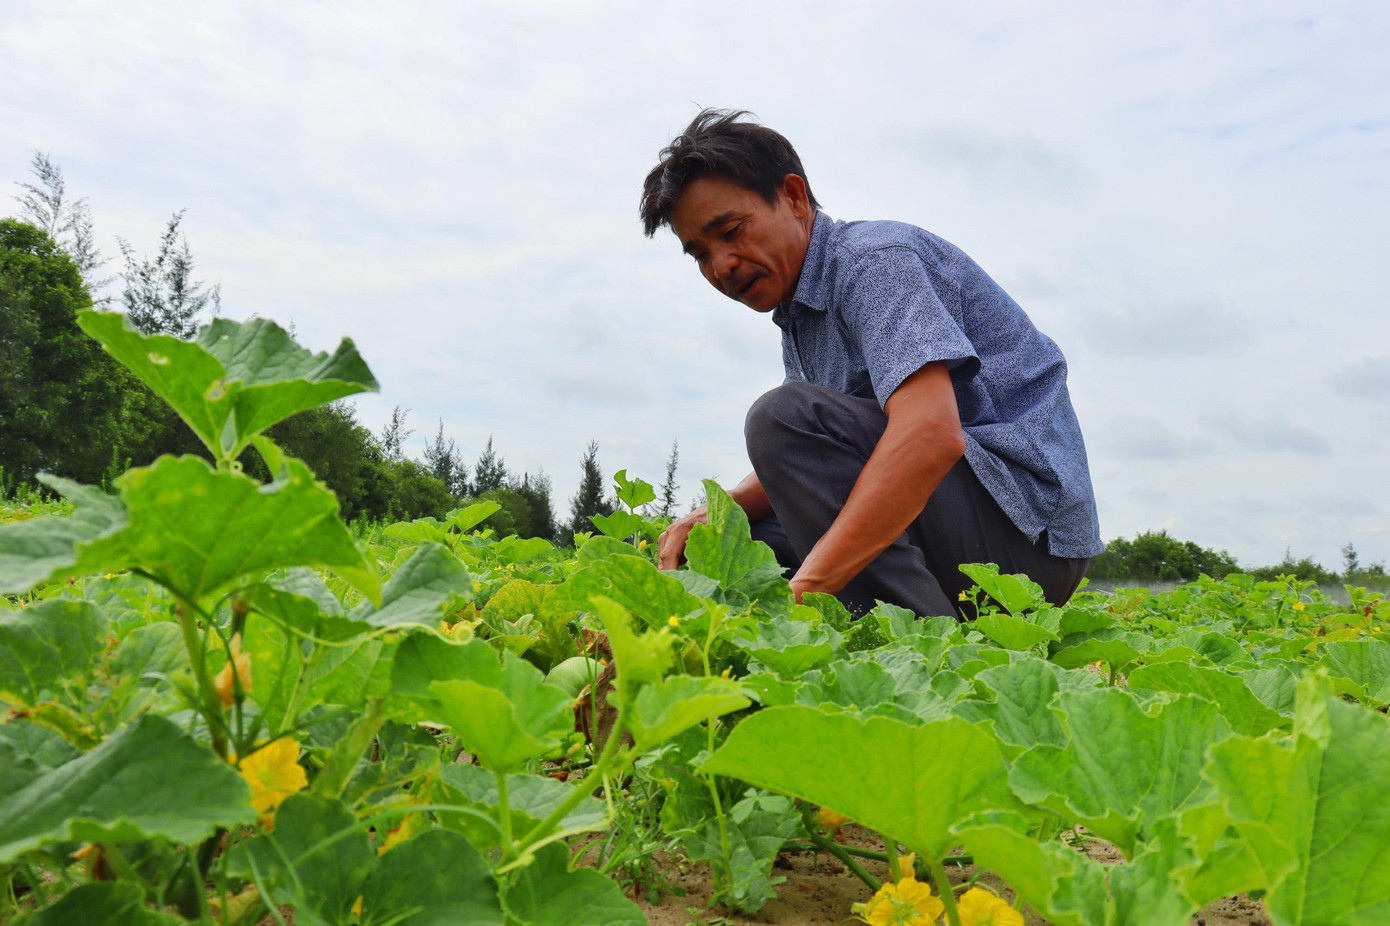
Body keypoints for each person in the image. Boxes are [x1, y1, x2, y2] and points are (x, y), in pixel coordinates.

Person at [640, 109, 1103, 618]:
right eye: (700, 254)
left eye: (731, 231)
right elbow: (814, 462)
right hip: (964, 532)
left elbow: (931, 435)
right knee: (734, 543)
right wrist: (717, 514)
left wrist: (808, 588)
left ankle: (914, 644)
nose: (721, 265)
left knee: (781, 418)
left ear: (793, 198)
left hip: (1025, 543)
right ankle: (821, 624)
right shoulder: (799, 310)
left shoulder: (874, 263)